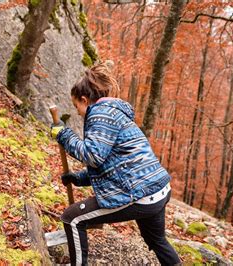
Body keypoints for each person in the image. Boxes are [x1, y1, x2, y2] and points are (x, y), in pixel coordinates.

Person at [51, 63, 181, 266]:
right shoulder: (115, 113)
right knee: (157, 239)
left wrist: (64, 134)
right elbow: (114, 162)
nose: (77, 112)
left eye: (77, 106)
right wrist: (80, 178)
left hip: (140, 194)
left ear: (85, 100)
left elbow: (93, 156)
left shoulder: (100, 114)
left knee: (72, 219)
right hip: (159, 190)